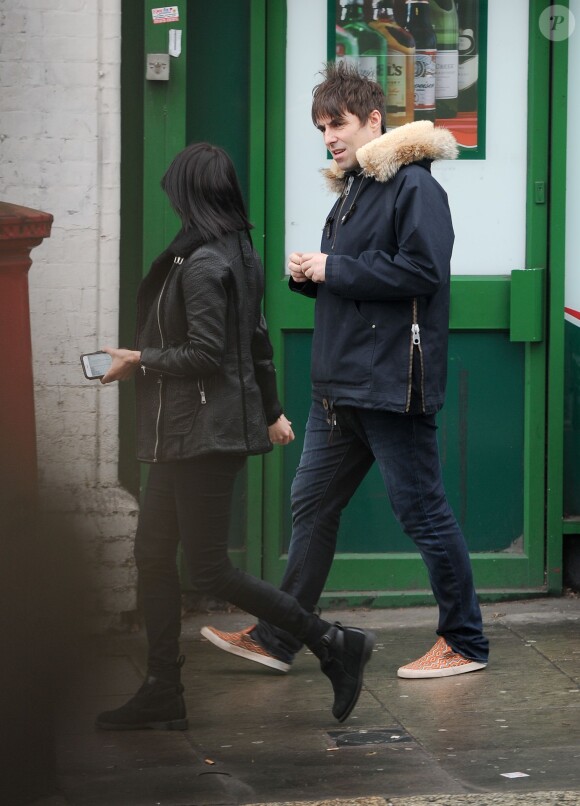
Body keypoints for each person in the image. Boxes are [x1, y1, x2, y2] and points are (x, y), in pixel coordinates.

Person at [201, 62, 489, 680]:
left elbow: (422, 273)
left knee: (423, 512)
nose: (329, 136)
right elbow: (364, 281)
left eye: (339, 124)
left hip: (390, 385)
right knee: (311, 508)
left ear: (374, 120)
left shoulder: (415, 186)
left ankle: (464, 641)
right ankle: (279, 637)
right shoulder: (356, 187)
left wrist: (335, 269)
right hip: (342, 387)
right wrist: (313, 275)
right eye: (322, 127)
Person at [94, 142, 375, 731]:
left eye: (175, 191)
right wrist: (269, 410)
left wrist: (136, 360)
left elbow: (206, 353)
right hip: (191, 432)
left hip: (202, 434)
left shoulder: (203, 264)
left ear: (190, 195)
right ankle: (162, 689)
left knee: (209, 569)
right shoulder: (235, 250)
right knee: (152, 555)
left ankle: (333, 643)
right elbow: (257, 341)